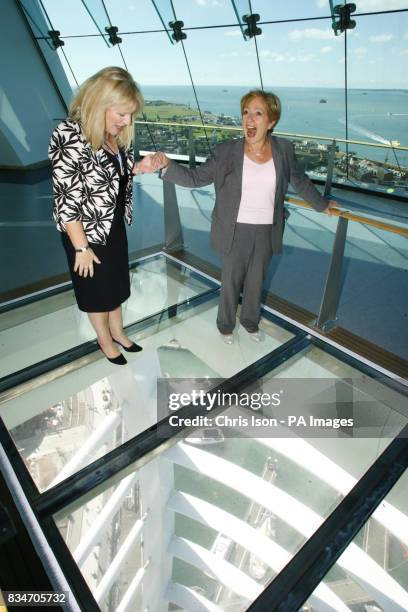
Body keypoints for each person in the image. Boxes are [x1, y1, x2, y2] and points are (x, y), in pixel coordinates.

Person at [137, 89, 336, 344]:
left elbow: (300, 180)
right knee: (231, 281)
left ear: (271, 121)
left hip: (267, 228)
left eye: (257, 113)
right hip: (234, 228)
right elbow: (195, 178)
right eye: (245, 112)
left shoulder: (283, 150)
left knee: (256, 281)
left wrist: (322, 205)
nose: (249, 120)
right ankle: (225, 325)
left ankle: (250, 322)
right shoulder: (227, 152)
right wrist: (167, 165)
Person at [49, 66, 146, 364]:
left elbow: (107, 175)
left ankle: (117, 331)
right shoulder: (69, 134)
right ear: (99, 103)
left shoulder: (110, 134)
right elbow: (67, 199)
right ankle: (104, 340)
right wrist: (81, 247)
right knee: (96, 291)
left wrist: (138, 167)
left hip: (112, 224)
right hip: (85, 233)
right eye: (121, 113)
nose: (127, 121)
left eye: (130, 114)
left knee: (115, 284)